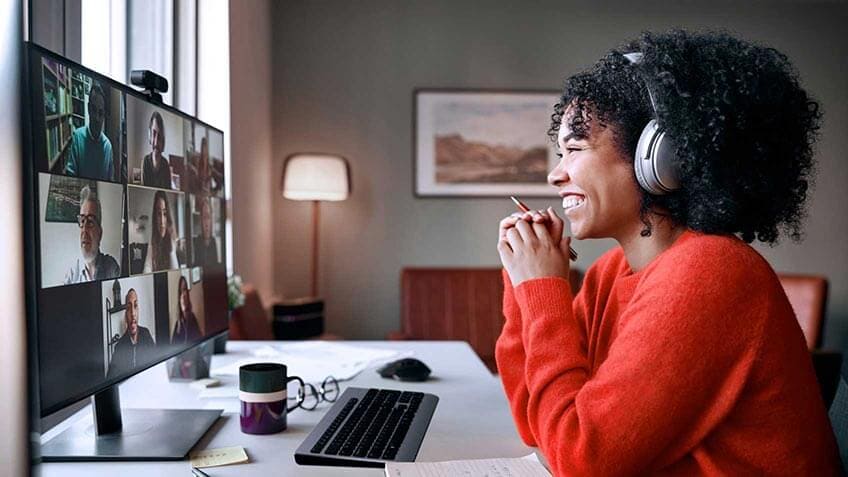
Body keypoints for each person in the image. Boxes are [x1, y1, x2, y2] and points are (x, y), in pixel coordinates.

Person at [495, 30, 840, 475]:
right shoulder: (611, 272)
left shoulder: (712, 271)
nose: (554, 175)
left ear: (660, 157)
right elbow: (536, 421)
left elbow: (582, 459)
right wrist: (525, 287)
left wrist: (543, 290)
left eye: (575, 149)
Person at [64, 185, 120, 283]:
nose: (84, 230)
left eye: (90, 221)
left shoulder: (111, 267)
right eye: (82, 221)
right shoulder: (71, 272)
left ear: (100, 233)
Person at [65, 82, 114, 180]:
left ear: (104, 114)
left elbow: (111, 180)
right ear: (88, 109)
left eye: (100, 113)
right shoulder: (77, 137)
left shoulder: (108, 146)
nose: (97, 118)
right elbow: (70, 177)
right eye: (94, 110)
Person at [107, 288, 155, 378]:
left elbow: (156, 368)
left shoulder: (146, 335)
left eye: (135, 306)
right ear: (125, 314)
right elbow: (110, 380)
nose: (133, 313)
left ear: (138, 310)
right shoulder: (119, 347)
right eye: (129, 308)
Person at [143, 190, 179, 272]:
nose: (162, 221)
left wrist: (171, 249)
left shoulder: (173, 241)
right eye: (159, 214)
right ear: (155, 217)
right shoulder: (153, 240)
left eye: (165, 214)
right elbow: (147, 266)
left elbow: (176, 273)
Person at [141, 111, 172, 189]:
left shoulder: (165, 164)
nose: (156, 142)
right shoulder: (145, 161)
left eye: (159, 135)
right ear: (150, 135)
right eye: (154, 133)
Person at [171, 276, 202, 344]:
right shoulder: (177, 324)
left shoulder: (193, 319)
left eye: (184, 289)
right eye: (180, 291)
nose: (183, 295)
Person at [192, 197, 219, 267]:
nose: (206, 223)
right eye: (204, 217)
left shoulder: (214, 241)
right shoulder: (196, 242)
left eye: (208, 217)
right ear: (200, 220)